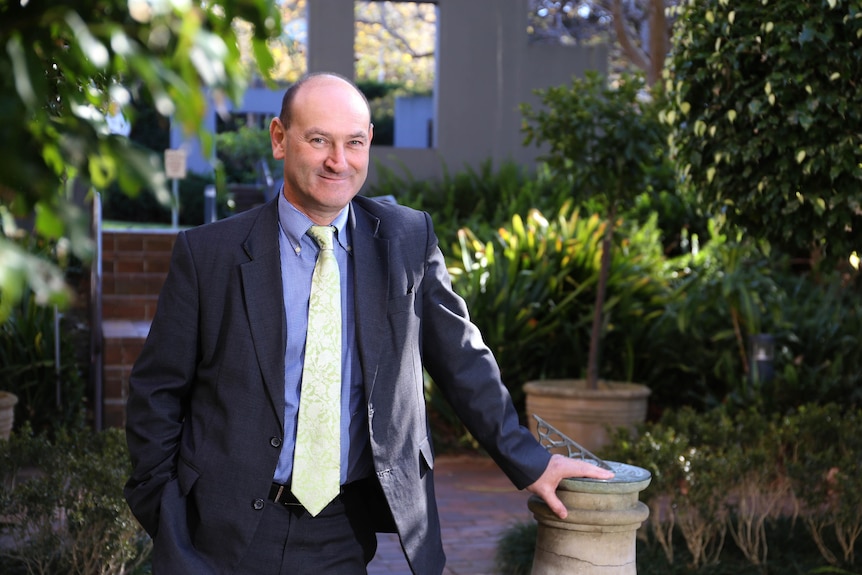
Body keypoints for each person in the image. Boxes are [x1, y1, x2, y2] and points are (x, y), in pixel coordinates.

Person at [123, 71, 613, 575]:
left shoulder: (406, 239)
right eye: (319, 141)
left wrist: (530, 460)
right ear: (279, 138)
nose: (339, 161)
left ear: (369, 143)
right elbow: (156, 393)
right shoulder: (210, 254)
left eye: (354, 142)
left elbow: (463, 360)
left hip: (341, 526)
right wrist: (168, 517)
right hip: (223, 531)